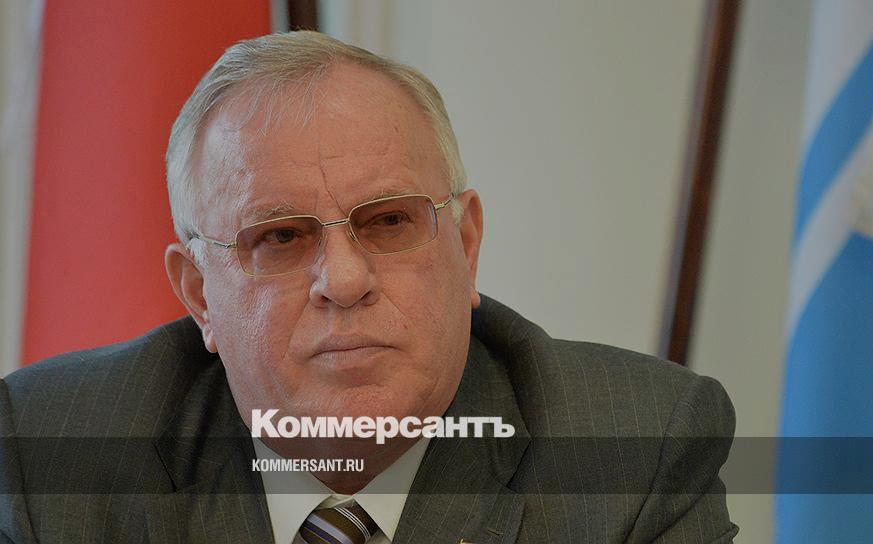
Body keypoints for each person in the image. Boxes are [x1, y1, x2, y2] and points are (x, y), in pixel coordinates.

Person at [0, 31, 737, 543]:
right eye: (280, 237)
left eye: (388, 222)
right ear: (199, 295)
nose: (345, 281)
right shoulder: (47, 455)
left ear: (466, 245)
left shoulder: (634, 456)